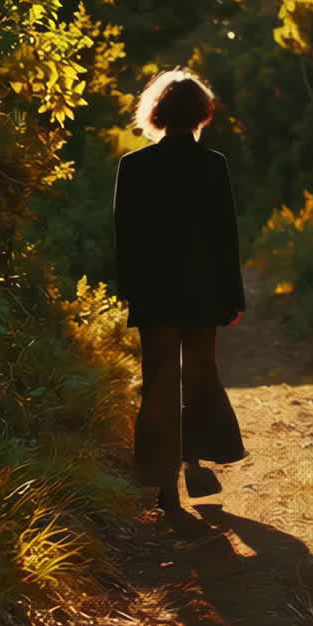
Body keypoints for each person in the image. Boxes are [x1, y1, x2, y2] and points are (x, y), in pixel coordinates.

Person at [112, 68, 247, 514]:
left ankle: (163, 483)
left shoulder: (133, 166)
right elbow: (226, 237)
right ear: (201, 115)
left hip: (154, 293)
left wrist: (129, 290)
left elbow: (124, 236)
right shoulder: (214, 166)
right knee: (200, 378)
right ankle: (193, 459)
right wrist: (234, 298)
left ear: (158, 113)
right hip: (203, 292)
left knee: (159, 383)